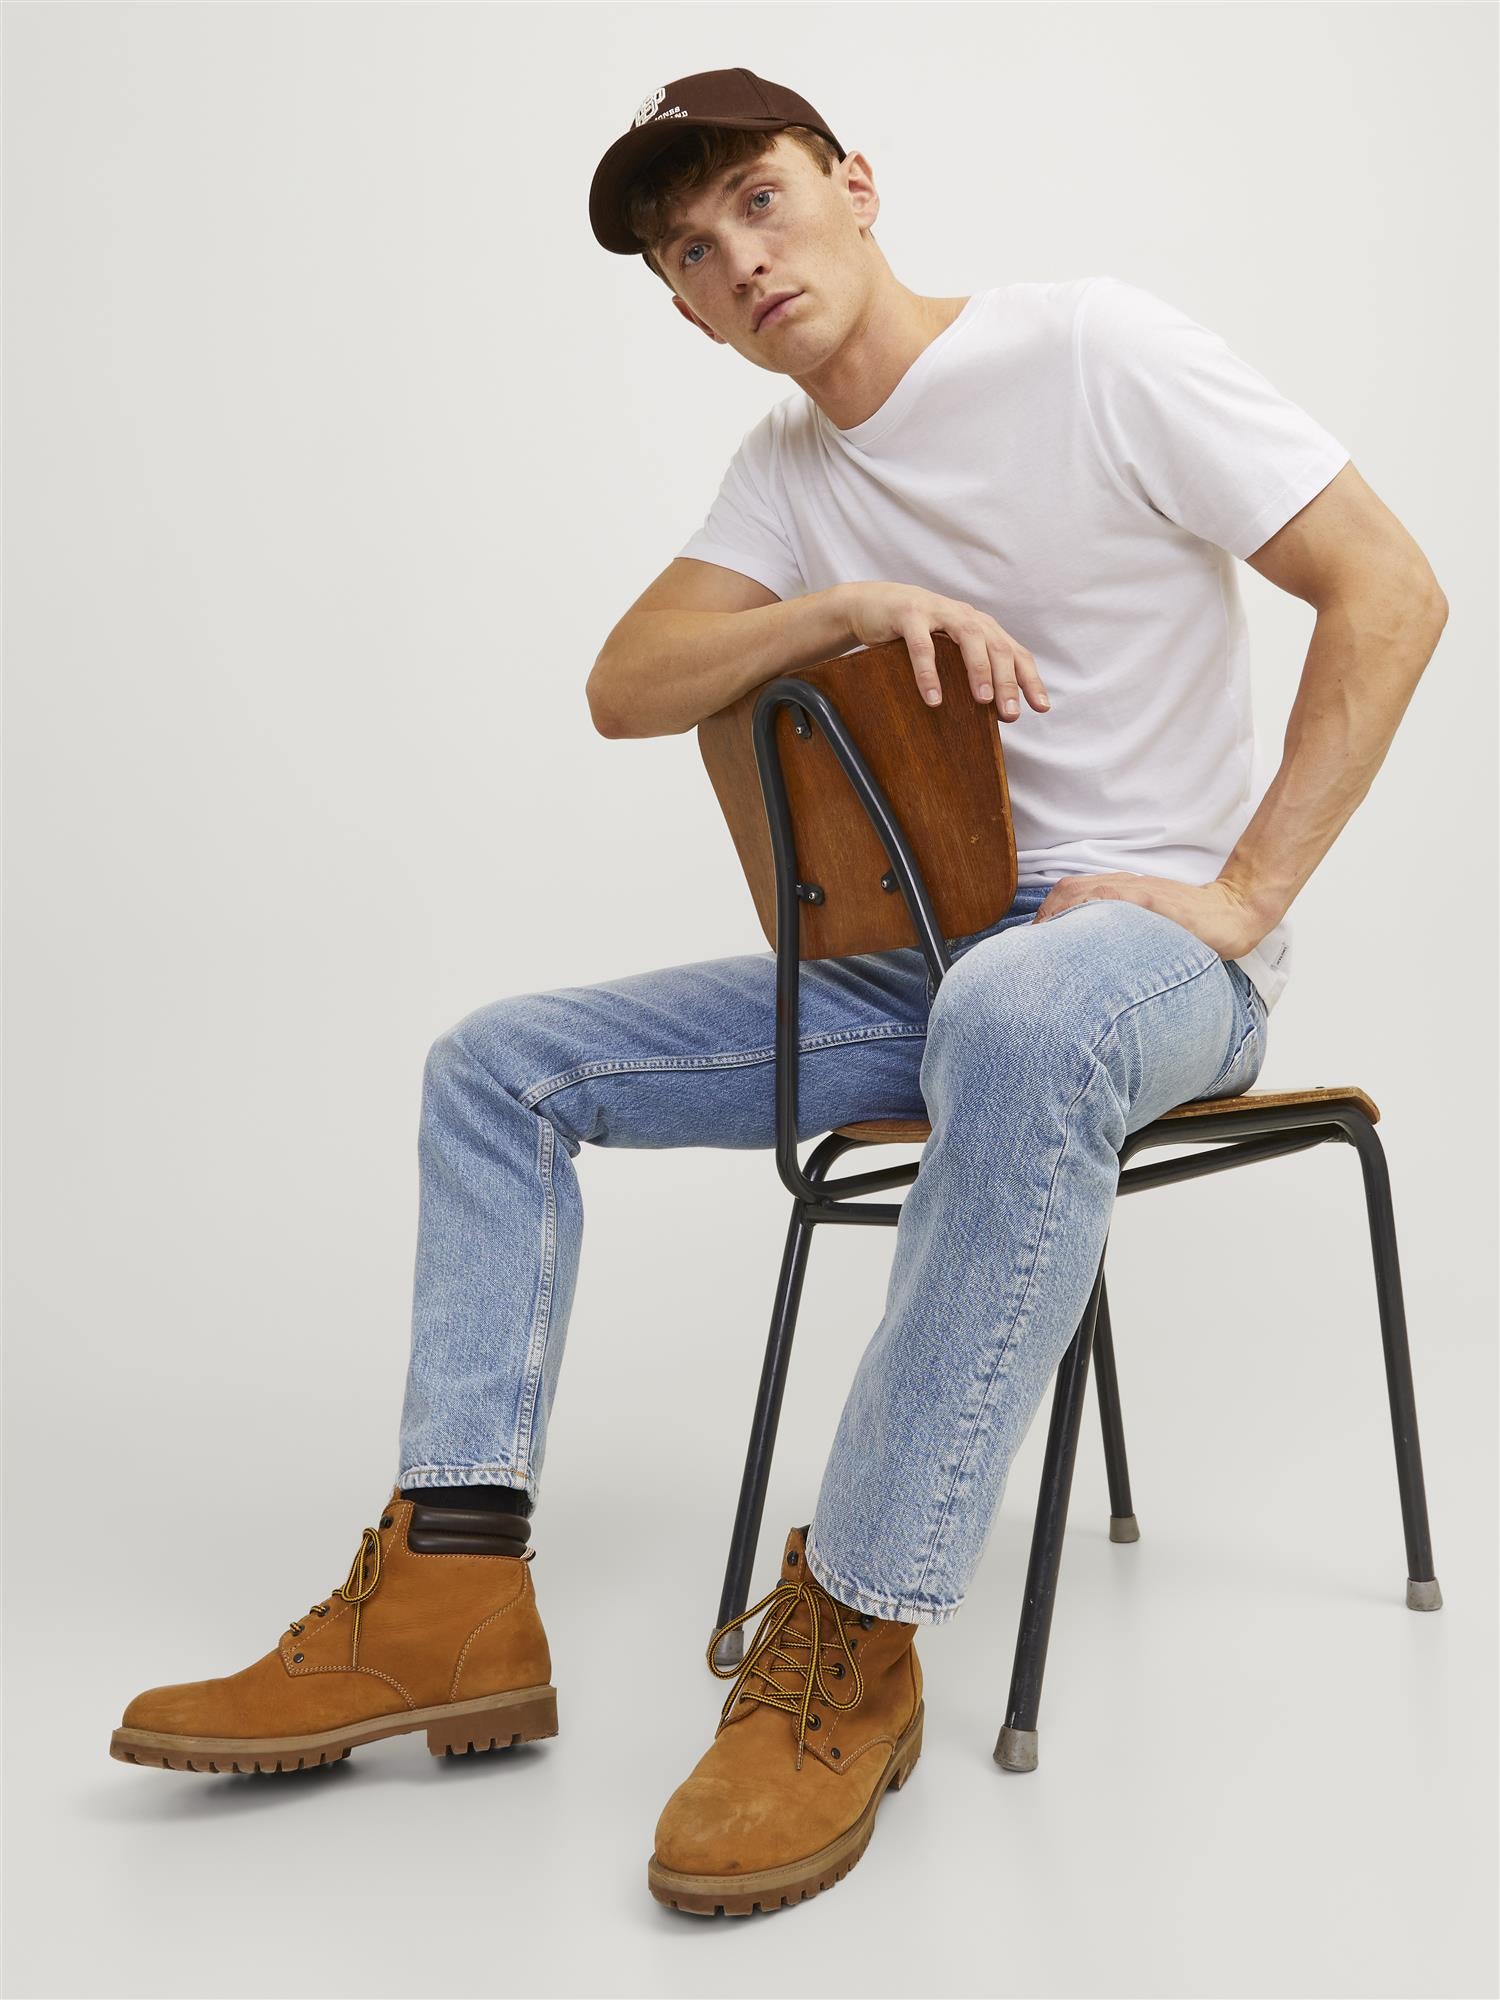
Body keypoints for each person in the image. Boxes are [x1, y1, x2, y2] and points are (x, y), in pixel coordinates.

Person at [110, 66, 1448, 1917]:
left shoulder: (1093, 351)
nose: (736, 257)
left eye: (757, 200)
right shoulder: (790, 473)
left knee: (1016, 1013)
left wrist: (1246, 896)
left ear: (855, 184)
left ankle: (857, 1632)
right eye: (689, 250)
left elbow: (1389, 585)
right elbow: (627, 681)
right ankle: (448, 1596)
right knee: (497, 1069)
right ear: (681, 309)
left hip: (1145, 969)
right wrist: (840, 604)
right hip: (933, 964)